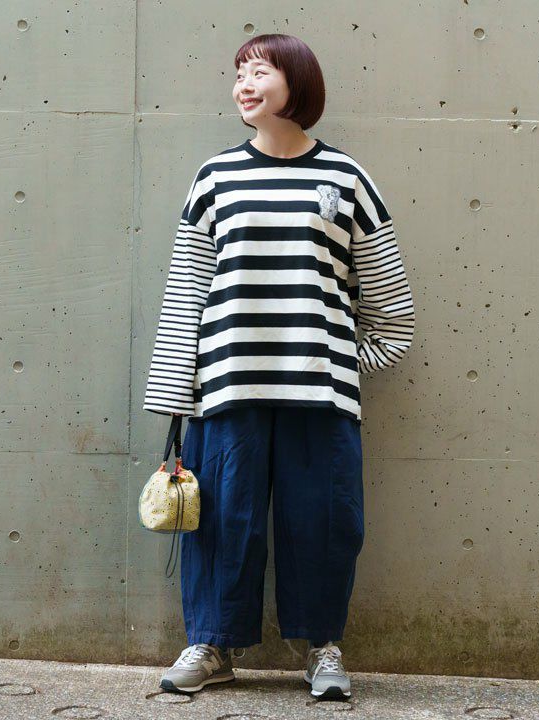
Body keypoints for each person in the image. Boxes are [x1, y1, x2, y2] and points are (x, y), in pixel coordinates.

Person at [143, 33, 415, 701]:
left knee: (325, 523)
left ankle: (322, 647)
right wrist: (177, 390)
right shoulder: (215, 177)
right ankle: (212, 645)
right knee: (221, 522)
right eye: (238, 73)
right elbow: (187, 291)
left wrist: (339, 361)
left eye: (259, 71)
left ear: (297, 81)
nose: (243, 84)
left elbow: (392, 312)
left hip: (321, 396)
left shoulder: (346, 179)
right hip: (227, 386)